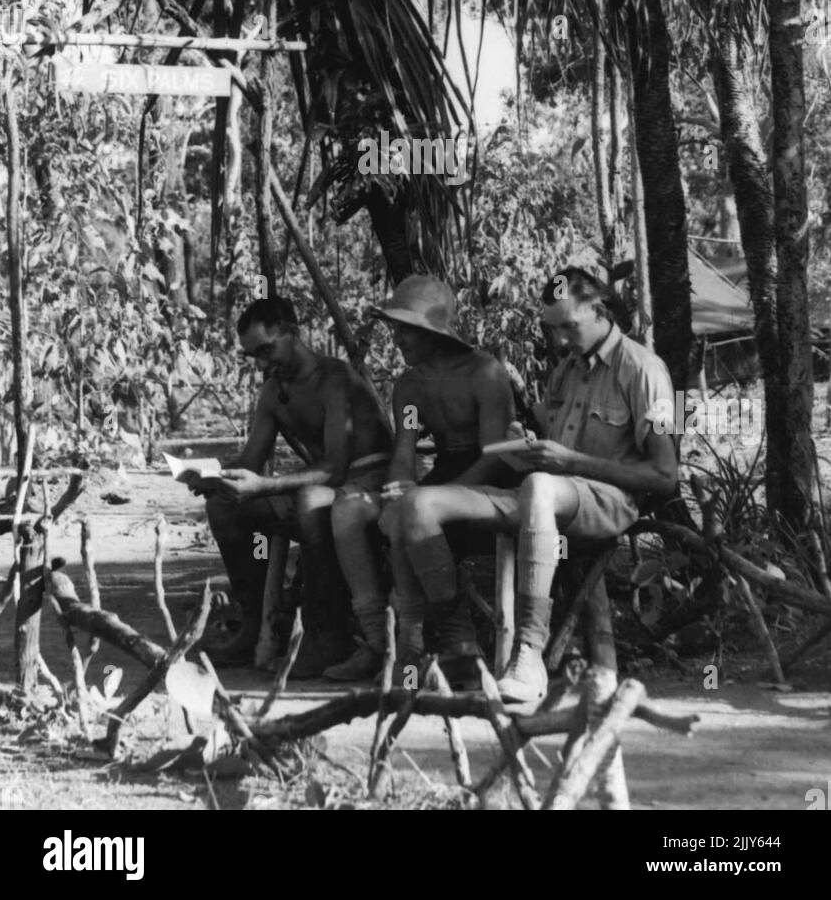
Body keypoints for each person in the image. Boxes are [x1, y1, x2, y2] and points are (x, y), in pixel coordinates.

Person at [387, 261, 678, 703]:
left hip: (606, 503)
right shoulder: (567, 370)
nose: (559, 340)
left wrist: (571, 461)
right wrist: (521, 444)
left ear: (600, 310)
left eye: (568, 327)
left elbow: (664, 476)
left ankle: (529, 652)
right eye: (553, 330)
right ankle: (458, 642)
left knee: (541, 487)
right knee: (418, 506)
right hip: (543, 493)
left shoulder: (642, 369)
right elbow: (543, 440)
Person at [327, 274, 519, 684]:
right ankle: (394, 642)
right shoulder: (410, 387)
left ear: (431, 331)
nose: (396, 339)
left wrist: (440, 496)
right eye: (394, 328)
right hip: (446, 476)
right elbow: (405, 450)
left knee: (415, 512)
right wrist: (399, 486)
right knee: (380, 509)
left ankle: (432, 641)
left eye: (405, 330)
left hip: (489, 479)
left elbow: (496, 456)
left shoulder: (484, 374)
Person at [188, 296, 393, 672]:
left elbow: (335, 467)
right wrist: (215, 478)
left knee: (310, 502)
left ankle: (326, 635)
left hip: (369, 479)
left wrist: (266, 486)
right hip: (326, 483)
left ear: (291, 332)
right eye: (255, 357)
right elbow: (251, 462)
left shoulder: (335, 378)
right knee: (226, 507)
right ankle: (254, 625)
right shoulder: (273, 393)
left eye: (268, 350)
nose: (264, 363)